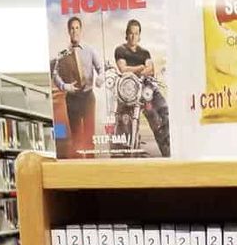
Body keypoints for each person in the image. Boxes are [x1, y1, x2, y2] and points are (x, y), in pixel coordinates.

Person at [113, 18, 170, 157]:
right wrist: (139, 67)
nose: (133, 36)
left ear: (139, 36)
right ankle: (124, 157)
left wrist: (142, 70)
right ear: (127, 34)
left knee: (162, 113)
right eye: (131, 33)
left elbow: (150, 69)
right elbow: (122, 69)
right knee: (124, 123)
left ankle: (168, 151)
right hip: (129, 91)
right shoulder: (120, 50)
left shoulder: (145, 52)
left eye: (136, 33)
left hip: (146, 90)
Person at [50, 15, 104, 158]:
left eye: (77, 28)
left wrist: (100, 78)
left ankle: (92, 167)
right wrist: (64, 86)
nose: (74, 31)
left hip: (87, 97)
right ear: (68, 31)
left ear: (81, 30)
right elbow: (55, 74)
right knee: (76, 137)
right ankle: (79, 168)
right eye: (72, 29)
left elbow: (101, 68)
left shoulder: (90, 50)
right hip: (72, 99)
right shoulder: (62, 54)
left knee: (89, 135)